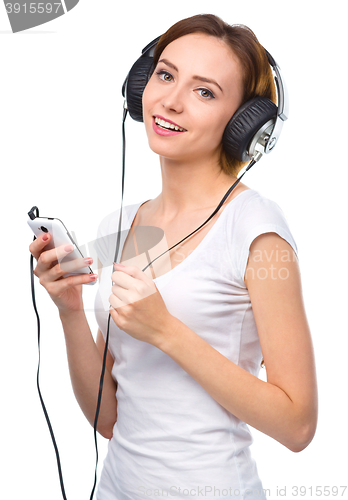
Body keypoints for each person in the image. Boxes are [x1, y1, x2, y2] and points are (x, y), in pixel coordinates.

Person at [29, 14, 318, 500]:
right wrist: (70, 312)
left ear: (245, 124)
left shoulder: (257, 230)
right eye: (165, 75)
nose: (171, 100)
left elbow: (298, 426)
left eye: (204, 92)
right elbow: (109, 418)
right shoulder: (121, 226)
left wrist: (165, 330)